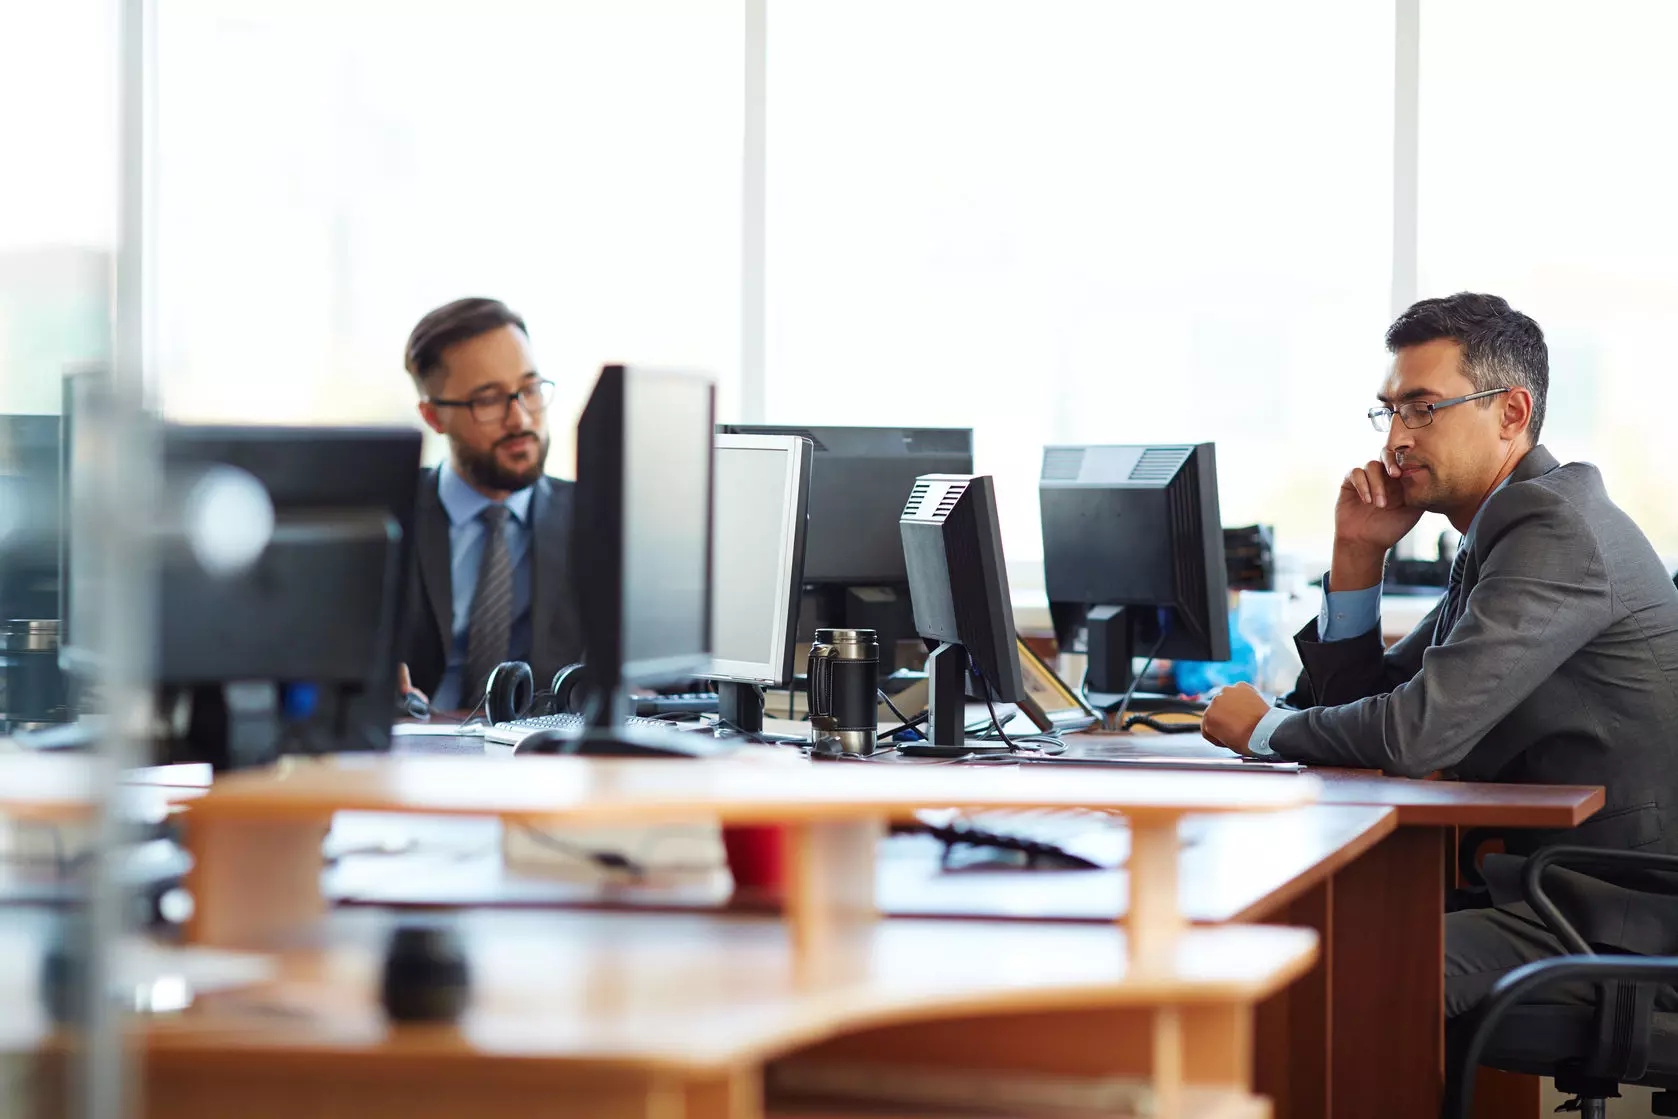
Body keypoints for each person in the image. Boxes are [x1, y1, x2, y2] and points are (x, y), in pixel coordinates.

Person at [1203, 292, 1678, 1018]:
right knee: (1306, 940)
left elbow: (1414, 733)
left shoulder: (1551, 526)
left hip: (1613, 918)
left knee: (1310, 970)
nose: (1396, 437)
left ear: (1511, 413)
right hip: (1554, 888)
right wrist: (1357, 555)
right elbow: (1366, 705)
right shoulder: (1502, 529)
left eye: (1423, 408)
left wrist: (1263, 729)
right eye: (1389, 410)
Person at [395, 297, 583, 713]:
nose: (520, 419)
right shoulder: (388, 519)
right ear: (433, 417)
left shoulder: (599, 520)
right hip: (415, 755)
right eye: (487, 400)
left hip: (544, 761)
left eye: (530, 390)